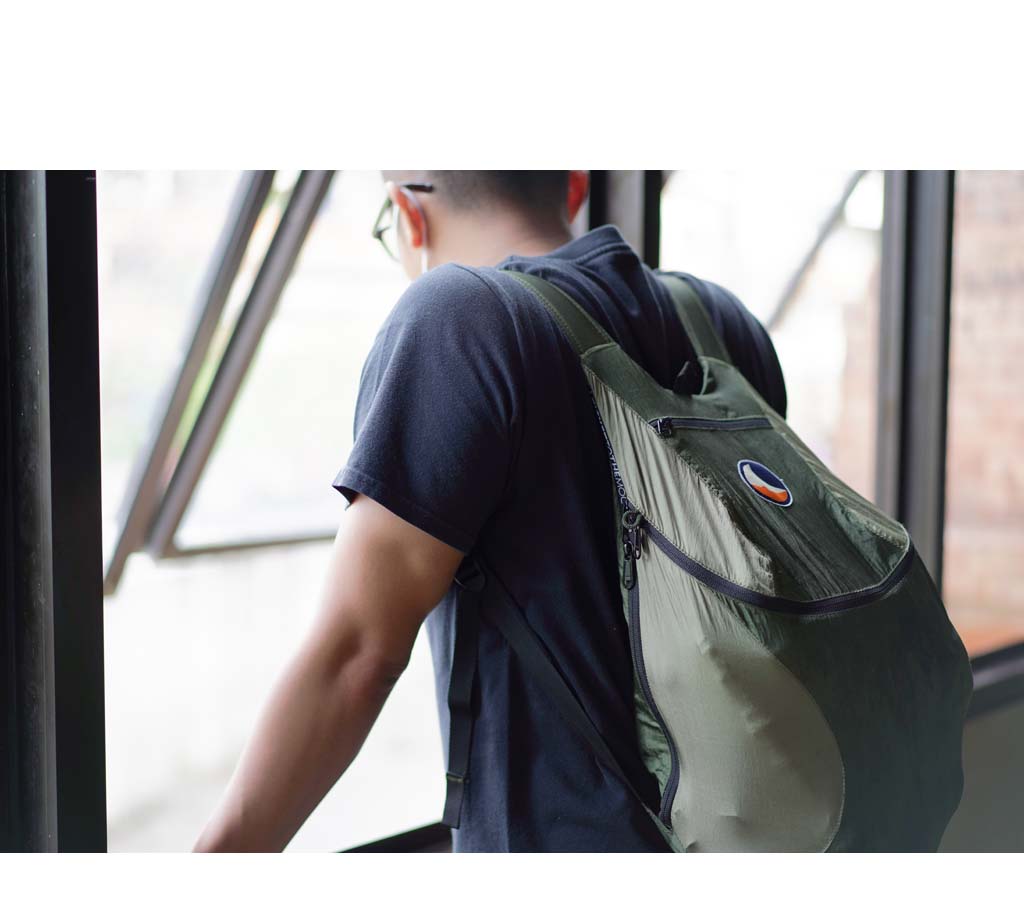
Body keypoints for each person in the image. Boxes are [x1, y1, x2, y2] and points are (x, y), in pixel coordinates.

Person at [193, 171, 786, 853]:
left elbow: (357, 654)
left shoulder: (460, 321)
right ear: (574, 188)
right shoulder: (720, 322)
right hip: (767, 835)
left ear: (409, 215)